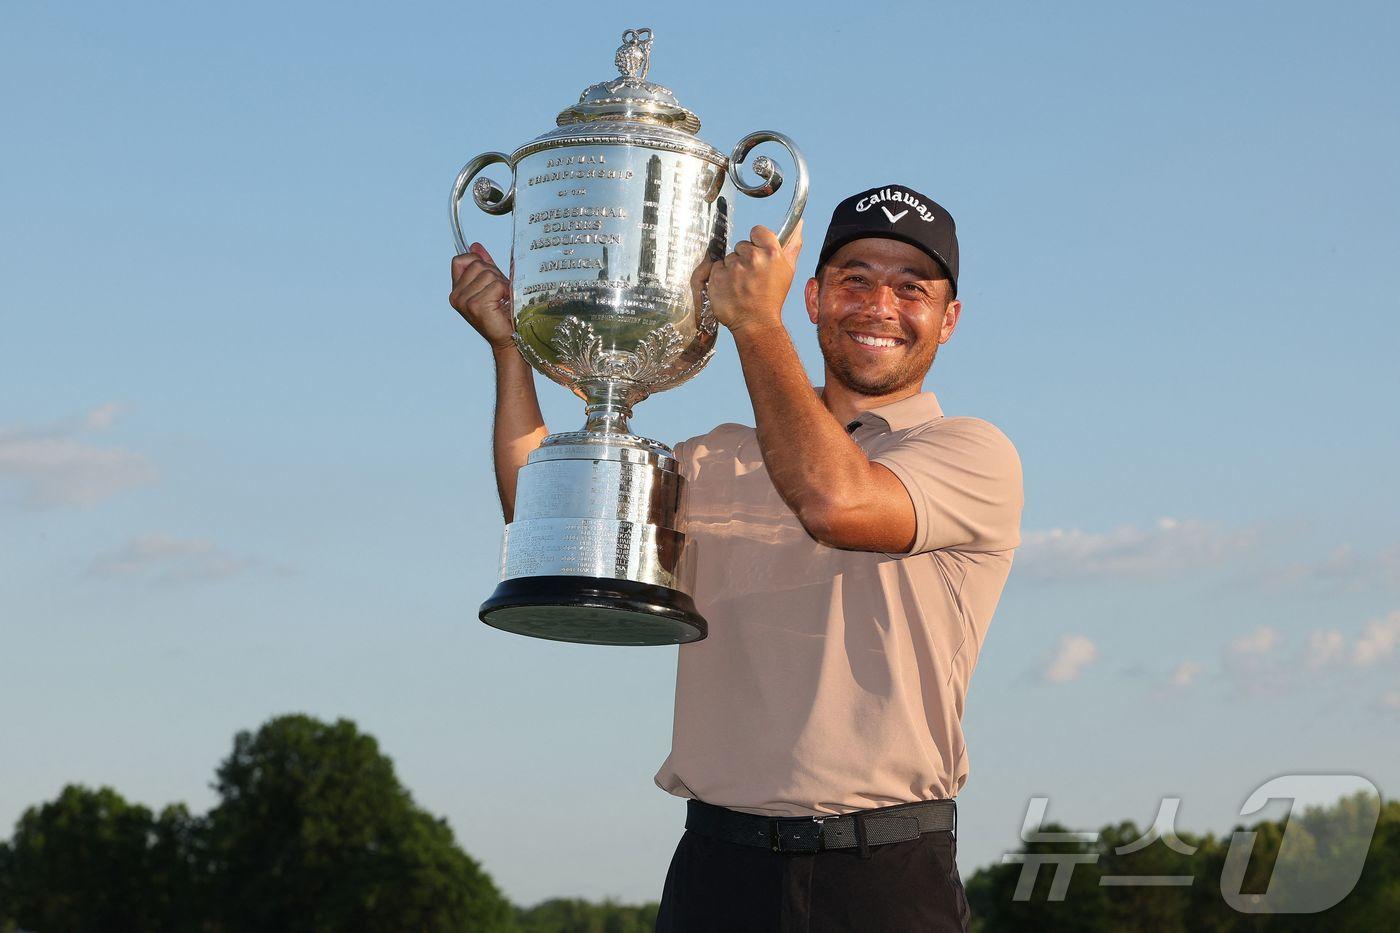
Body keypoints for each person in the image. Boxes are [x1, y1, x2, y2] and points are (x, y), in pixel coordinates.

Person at [449, 184, 1023, 932]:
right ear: (814, 298)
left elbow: (835, 502)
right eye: (855, 279)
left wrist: (756, 324)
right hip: (717, 870)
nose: (879, 303)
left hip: (882, 874)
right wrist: (510, 349)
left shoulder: (969, 452)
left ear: (947, 320)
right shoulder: (717, 457)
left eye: (910, 287)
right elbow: (547, 521)